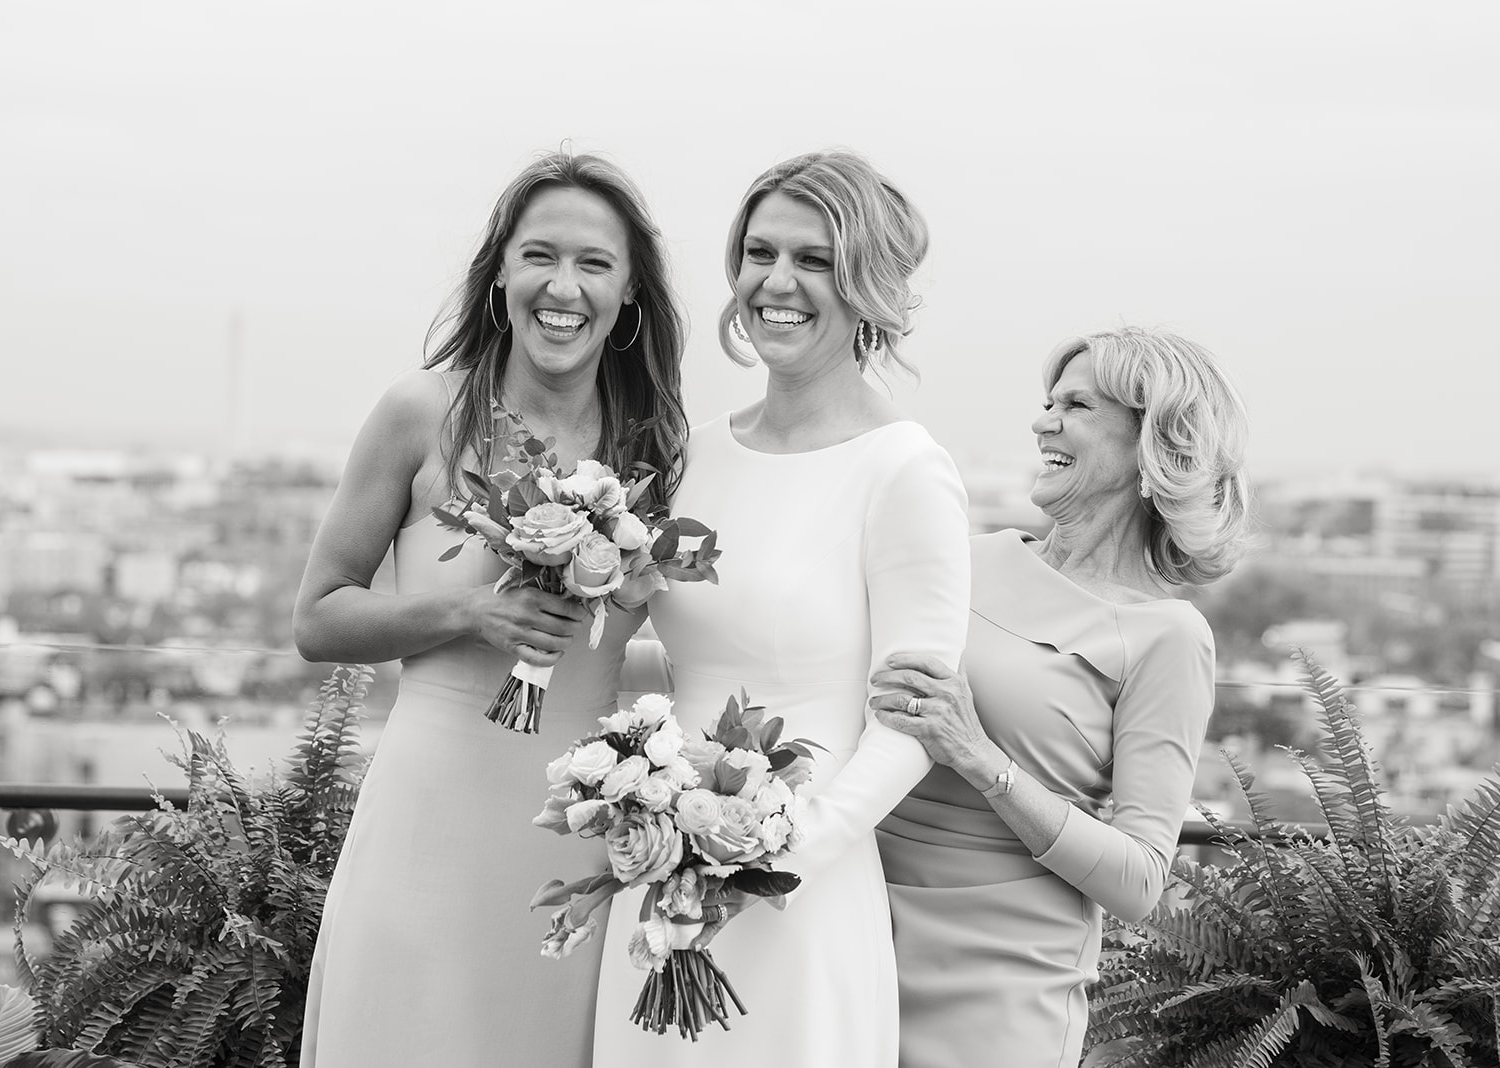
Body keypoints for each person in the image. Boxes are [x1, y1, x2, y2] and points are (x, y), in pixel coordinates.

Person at [294, 150, 688, 1068]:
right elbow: (318, 619)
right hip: (427, 814)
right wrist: (472, 613)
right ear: (500, 271)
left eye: (595, 264)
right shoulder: (420, 413)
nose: (565, 286)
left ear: (629, 292)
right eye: (540, 255)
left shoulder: (656, 451)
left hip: (577, 830)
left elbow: (668, 645)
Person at [590, 150, 971, 1068]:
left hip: (805, 891)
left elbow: (914, 723)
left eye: (815, 259)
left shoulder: (904, 471)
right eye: (760, 253)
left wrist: (778, 855)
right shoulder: (691, 457)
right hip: (660, 870)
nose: (777, 282)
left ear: (867, 286)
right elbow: (627, 643)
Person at [868, 326, 1251, 1068]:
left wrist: (982, 759)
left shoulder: (1166, 635)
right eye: (1048, 401)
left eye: (1075, 404)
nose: (1043, 420)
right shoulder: (964, 555)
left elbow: (1141, 881)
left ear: (1153, 442)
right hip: (851, 930)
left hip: (998, 990)